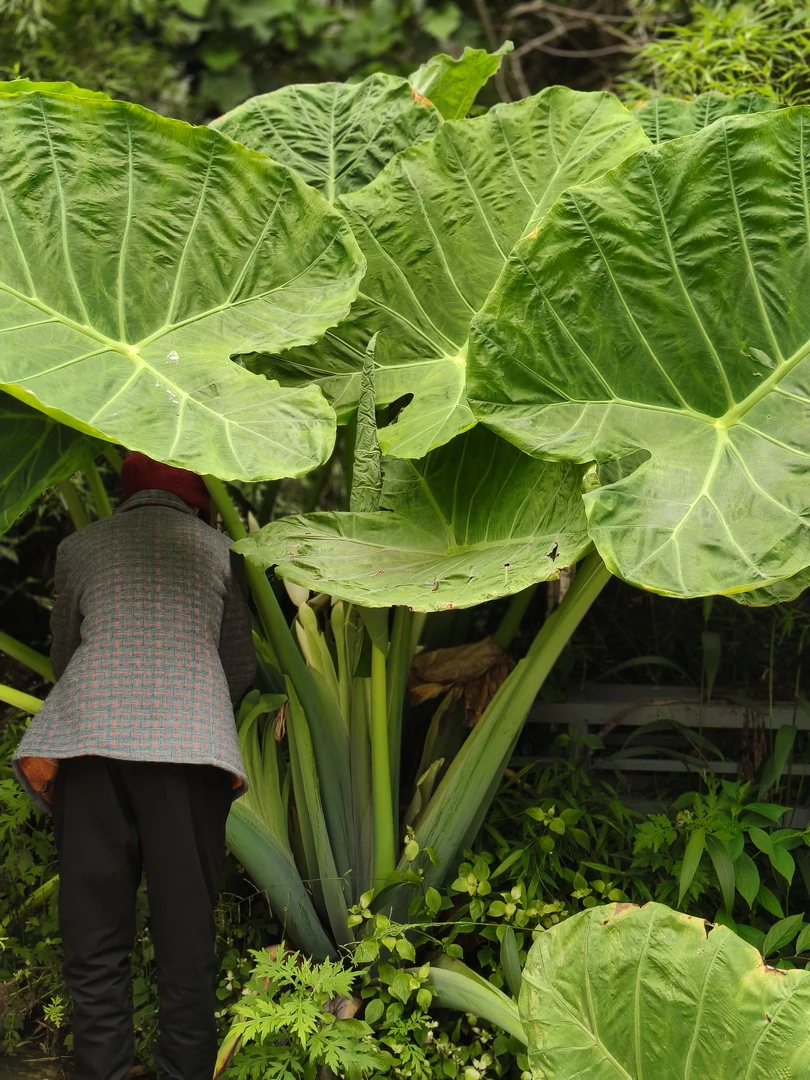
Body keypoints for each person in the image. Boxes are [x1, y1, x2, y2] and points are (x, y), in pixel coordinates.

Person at [13, 453, 256, 1080]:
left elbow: (66, 656)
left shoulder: (79, 547)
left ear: (125, 490)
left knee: (93, 943)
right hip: (190, 751)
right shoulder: (220, 550)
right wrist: (178, 709)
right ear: (198, 493)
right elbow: (237, 669)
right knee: (186, 948)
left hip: (89, 743)